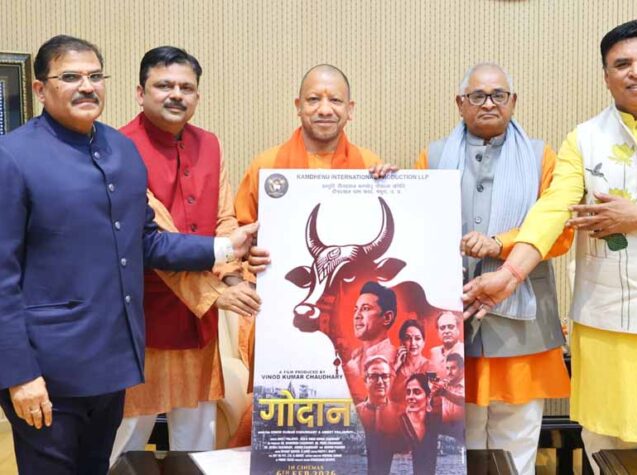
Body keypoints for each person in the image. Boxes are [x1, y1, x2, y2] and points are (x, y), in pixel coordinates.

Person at [464, 21, 637, 474]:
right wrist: (509, 275)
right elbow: (551, 210)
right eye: (622, 64)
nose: (636, 71)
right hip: (607, 320)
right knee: (605, 440)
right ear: (605, 75)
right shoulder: (583, 138)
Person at [0, 35, 255, 474]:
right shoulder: (12, 156)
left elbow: (147, 241)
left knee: (101, 466)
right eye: (70, 77)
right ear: (40, 89)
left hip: (114, 360)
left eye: (95, 76)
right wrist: (18, 374)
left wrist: (227, 246)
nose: (86, 86)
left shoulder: (118, 150)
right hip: (49, 366)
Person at [416, 62, 573, 474]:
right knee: (457, 446)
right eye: (478, 96)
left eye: (498, 95)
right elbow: (414, 227)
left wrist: (499, 243)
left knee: (517, 444)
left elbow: (561, 232)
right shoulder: (433, 157)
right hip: (451, 324)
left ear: (513, 101)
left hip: (522, 327)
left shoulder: (541, 157)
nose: (489, 103)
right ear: (460, 103)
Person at [229, 64, 395, 445]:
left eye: (335, 100)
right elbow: (235, 238)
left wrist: (396, 187)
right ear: (298, 106)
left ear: (350, 109)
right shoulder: (267, 166)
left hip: (349, 322)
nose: (324, 108)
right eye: (313, 99)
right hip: (281, 317)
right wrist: (249, 259)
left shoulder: (369, 165)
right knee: (280, 419)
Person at [110, 46, 262, 459]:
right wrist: (215, 294)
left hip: (198, 325)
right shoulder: (118, 149)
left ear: (197, 95)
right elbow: (152, 241)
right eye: (164, 85)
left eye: (186, 87)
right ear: (140, 93)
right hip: (141, 319)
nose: (176, 94)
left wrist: (234, 279)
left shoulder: (209, 144)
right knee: (126, 437)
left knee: (197, 439)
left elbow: (225, 220)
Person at [355, 356, 404, 475]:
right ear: (365, 380)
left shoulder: (402, 414)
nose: (380, 381)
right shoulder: (356, 412)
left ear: (390, 379)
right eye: (374, 376)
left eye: (384, 376)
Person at [399, 374, 442, 475]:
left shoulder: (434, 423)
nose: (410, 397)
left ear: (428, 396)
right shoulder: (399, 422)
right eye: (408, 392)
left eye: (416, 392)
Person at [390, 319, 436, 402]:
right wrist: (395, 366)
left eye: (417, 338)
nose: (413, 343)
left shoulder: (430, 367)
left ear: (423, 342)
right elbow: (383, 394)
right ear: (401, 342)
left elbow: (432, 399)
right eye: (408, 338)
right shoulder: (394, 367)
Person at [427, 312, 463, 379]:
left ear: (458, 329)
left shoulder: (464, 350)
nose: (446, 331)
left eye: (450, 327)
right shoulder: (433, 353)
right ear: (438, 331)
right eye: (442, 328)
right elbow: (430, 379)